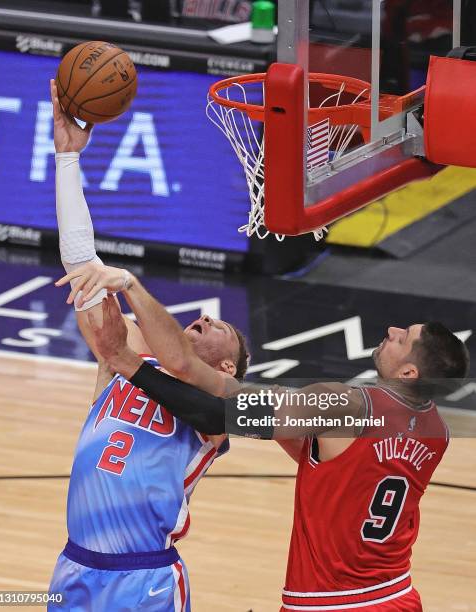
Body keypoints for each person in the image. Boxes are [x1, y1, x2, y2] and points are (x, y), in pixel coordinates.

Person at [56, 268, 469, 610]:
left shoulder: (343, 405)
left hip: (333, 600)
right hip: (397, 593)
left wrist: (130, 362)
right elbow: (343, 464)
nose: (393, 329)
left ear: (410, 373)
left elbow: (219, 410)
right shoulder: (438, 433)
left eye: (404, 337)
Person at [47, 79, 249, 612]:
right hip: (74, 567)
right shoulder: (125, 354)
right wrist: (67, 159)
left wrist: (132, 297)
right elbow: (82, 264)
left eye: (219, 327)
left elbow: (188, 378)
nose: (205, 318)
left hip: (144, 580)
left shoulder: (219, 401)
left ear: (227, 364)